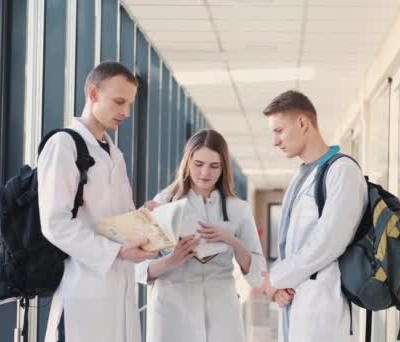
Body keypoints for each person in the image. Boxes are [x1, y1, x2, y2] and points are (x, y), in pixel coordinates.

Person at [38, 61, 156, 342]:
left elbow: (116, 219)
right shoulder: (64, 145)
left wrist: (145, 216)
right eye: (118, 102)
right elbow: (55, 223)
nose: (126, 112)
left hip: (118, 292)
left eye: (129, 104)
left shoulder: (114, 154)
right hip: (82, 292)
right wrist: (115, 252)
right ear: (93, 93)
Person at [137, 129, 266, 342]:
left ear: (224, 167)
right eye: (198, 164)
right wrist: (172, 259)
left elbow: (258, 274)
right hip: (172, 309)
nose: (205, 173)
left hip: (221, 311)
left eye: (214, 166)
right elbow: (139, 269)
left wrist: (232, 240)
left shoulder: (238, 209)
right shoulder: (164, 202)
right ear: (187, 162)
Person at [260, 90, 367, 342]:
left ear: (302, 123)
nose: (275, 141)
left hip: (324, 308)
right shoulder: (301, 176)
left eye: (278, 130)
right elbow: (291, 245)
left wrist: (276, 278)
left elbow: (328, 242)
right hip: (297, 302)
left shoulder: (343, 171)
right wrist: (278, 287)